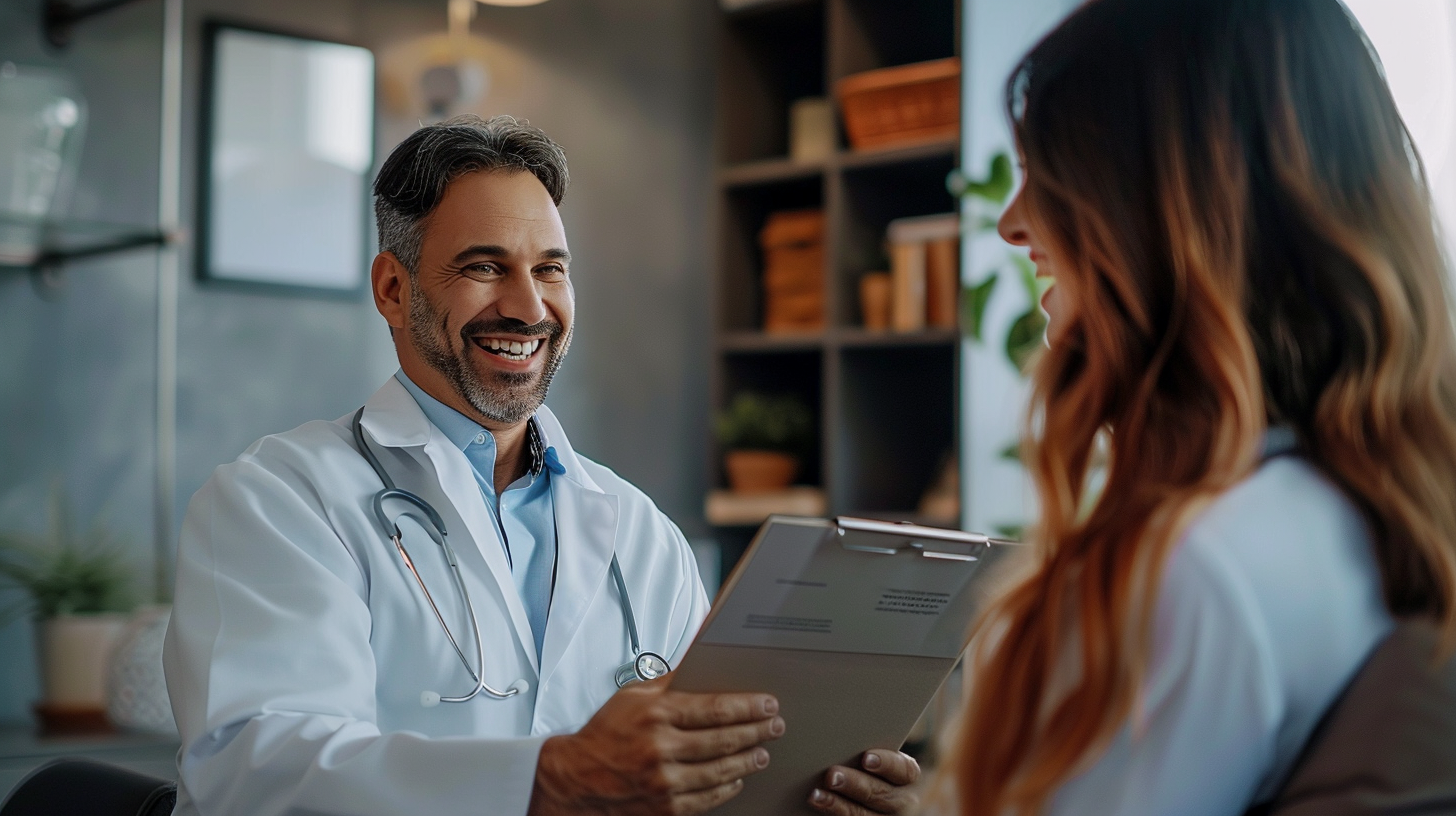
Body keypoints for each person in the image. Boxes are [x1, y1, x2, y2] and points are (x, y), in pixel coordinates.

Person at [163, 115, 920, 816]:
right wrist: (549, 779)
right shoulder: (279, 502)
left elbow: (708, 775)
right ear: (393, 289)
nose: (528, 307)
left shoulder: (640, 533)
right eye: (484, 267)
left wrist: (807, 795)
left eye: (550, 269)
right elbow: (256, 773)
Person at [942, 0, 1456, 814]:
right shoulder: (1384, 505)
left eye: (1050, 173)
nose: (1012, 223)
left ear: (1159, 203)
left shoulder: (1198, 570)